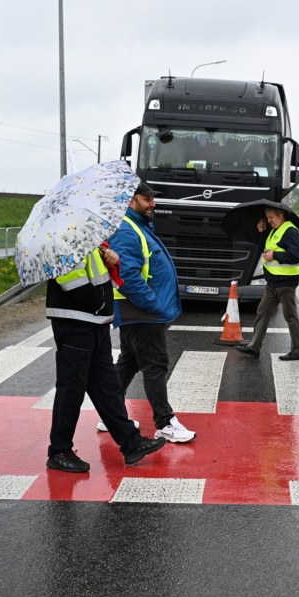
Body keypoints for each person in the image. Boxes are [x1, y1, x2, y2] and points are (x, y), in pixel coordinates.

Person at [46, 245, 167, 472]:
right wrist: (99, 301)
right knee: (71, 389)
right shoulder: (63, 239)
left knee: (107, 386)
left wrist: (110, 259)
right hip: (76, 322)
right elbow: (70, 278)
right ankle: (59, 451)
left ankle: (131, 443)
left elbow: (96, 271)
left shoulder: (87, 236)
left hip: (96, 322)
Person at [95, 182, 196, 443]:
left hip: (136, 312)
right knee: (155, 366)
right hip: (141, 312)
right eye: (147, 198)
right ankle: (165, 422)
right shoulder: (128, 231)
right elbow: (127, 275)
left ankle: (110, 415)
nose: (153, 203)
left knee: (128, 363)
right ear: (131, 201)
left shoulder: (137, 226)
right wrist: (153, 304)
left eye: (153, 198)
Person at [236, 206, 299, 361]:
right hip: (273, 281)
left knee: (290, 316)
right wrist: (261, 232)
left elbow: (297, 255)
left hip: (286, 282)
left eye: (271, 217)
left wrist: (275, 255)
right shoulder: (274, 230)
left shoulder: (290, 231)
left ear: (280, 215)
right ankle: (254, 347)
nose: (268, 220)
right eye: (267, 218)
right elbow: (266, 249)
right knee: (262, 311)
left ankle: (297, 351)